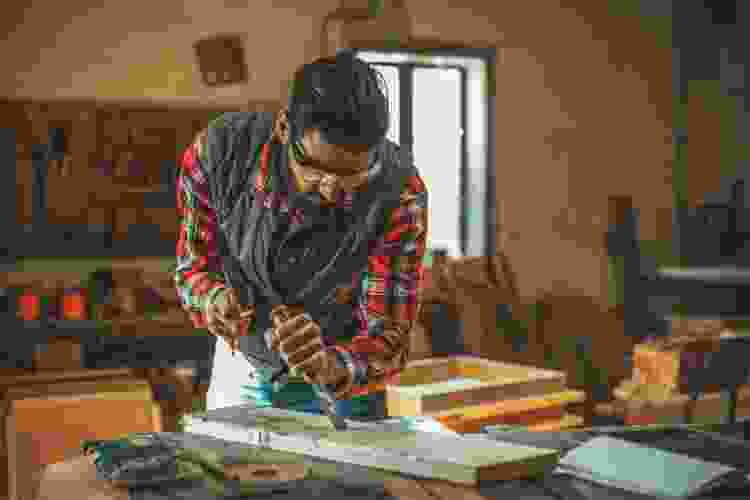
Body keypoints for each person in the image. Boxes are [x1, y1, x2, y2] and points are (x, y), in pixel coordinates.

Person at [173, 51, 431, 421]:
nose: (330, 190)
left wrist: (327, 363)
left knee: (346, 478)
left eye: (351, 177)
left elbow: (388, 340)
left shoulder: (399, 195)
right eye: (315, 169)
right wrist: (213, 299)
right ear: (284, 128)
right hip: (243, 368)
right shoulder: (219, 156)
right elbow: (192, 270)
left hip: (341, 386)